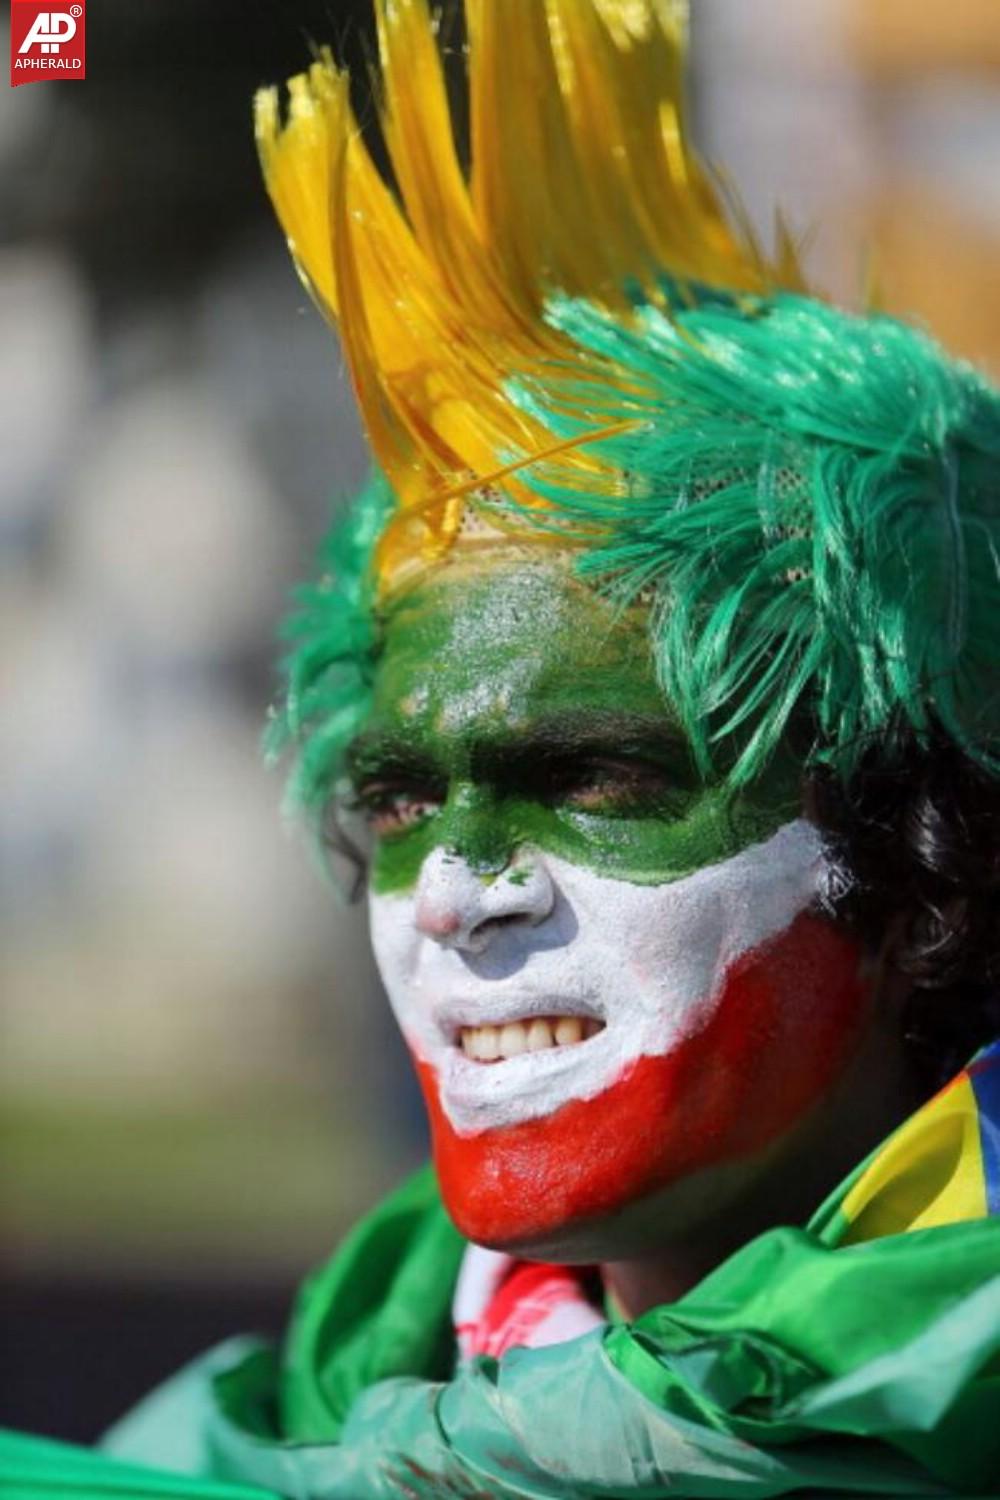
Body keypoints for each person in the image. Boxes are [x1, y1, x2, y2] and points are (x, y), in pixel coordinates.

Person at [4, 1, 999, 1496]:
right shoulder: (331, 1398)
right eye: (403, 797)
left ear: (925, 868)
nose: (461, 890)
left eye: (596, 780)